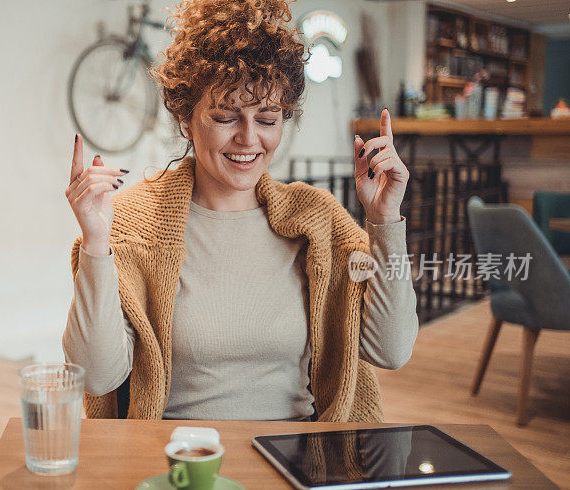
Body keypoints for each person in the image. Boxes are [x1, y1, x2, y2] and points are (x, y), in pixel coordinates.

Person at [62, 0, 418, 421]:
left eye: (267, 120)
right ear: (185, 118)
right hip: (181, 463)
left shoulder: (318, 221)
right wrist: (97, 243)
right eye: (226, 116)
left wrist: (384, 222)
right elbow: (97, 378)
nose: (249, 139)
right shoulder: (133, 224)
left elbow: (391, 351)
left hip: (298, 463)